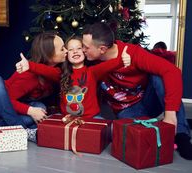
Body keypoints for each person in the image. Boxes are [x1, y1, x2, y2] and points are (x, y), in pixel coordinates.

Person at [82, 22, 192, 160]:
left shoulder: (133, 53)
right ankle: (164, 126)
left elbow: (173, 72)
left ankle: (181, 133)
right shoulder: (90, 61)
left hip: (147, 100)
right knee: (140, 136)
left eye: (86, 47)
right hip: (127, 110)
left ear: (102, 49)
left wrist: (170, 114)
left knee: (160, 76)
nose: (82, 50)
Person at [0, 32, 67, 142]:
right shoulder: (28, 77)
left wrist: (33, 111)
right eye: (62, 49)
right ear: (49, 54)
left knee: (41, 109)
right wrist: (30, 110)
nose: (66, 51)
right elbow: (9, 100)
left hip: (19, 104)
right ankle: (23, 132)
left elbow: (56, 75)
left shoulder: (56, 70)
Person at [16, 36, 129, 118]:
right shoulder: (60, 73)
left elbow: (108, 66)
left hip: (91, 118)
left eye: (79, 48)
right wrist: (29, 65)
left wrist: (121, 60)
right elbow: (45, 70)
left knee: (101, 134)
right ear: (66, 54)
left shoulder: (92, 71)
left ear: (84, 51)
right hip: (67, 118)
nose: (75, 51)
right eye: (70, 49)